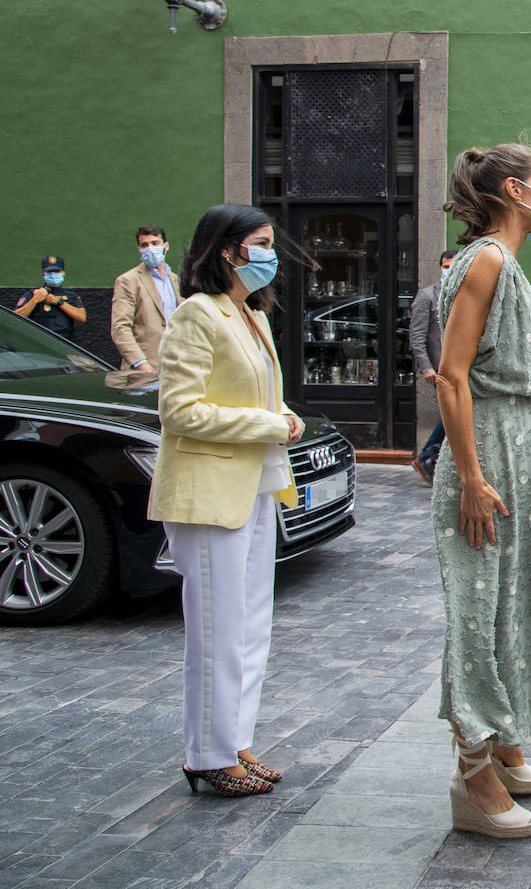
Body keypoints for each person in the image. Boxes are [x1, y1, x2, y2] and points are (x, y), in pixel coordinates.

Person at [432, 143, 531, 839]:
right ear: (517, 191)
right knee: (479, 605)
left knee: (519, 591)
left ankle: (500, 737)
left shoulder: (503, 262)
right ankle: (472, 774)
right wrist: (469, 476)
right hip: (488, 450)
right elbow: (451, 374)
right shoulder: (488, 258)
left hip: (516, 447)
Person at [147, 204, 304, 798]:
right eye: (260, 244)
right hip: (208, 494)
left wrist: (283, 416)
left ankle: (235, 740)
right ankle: (207, 755)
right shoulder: (196, 314)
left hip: (257, 487)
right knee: (215, 631)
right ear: (227, 251)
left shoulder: (250, 315)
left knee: (249, 626)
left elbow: (265, 394)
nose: (270, 255)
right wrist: (268, 423)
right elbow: (179, 410)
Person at [409, 249, 459, 483]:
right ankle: (425, 458)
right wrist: (426, 367)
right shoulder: (427, 296)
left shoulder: (462, 294)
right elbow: (417, 336)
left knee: (455, 415)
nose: (447, 270)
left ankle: (434, 460)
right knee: (453, 414)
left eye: (452, 266)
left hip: (462, 368)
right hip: (439, 370)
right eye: (444, 266)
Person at [112, 227, 181, 372]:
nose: (150, 248)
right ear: (139, 249)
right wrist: (140, 363)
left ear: (165, 246)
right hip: (145, 370)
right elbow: (120, 327)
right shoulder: (128, 280)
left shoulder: (176, 281)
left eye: (155, 243)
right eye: (144, 245)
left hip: (175, 367)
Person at [15, 256, 85, 340]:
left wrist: (59, 302)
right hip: (39, 340)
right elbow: (15, 317)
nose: (53, 275)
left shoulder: (70, 295)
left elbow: (81, 317)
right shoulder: (33, 293)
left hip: (64, 341)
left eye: (56, 271)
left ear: (63, 272)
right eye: (49, 272)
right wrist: (35, 300)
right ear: (43, 274)